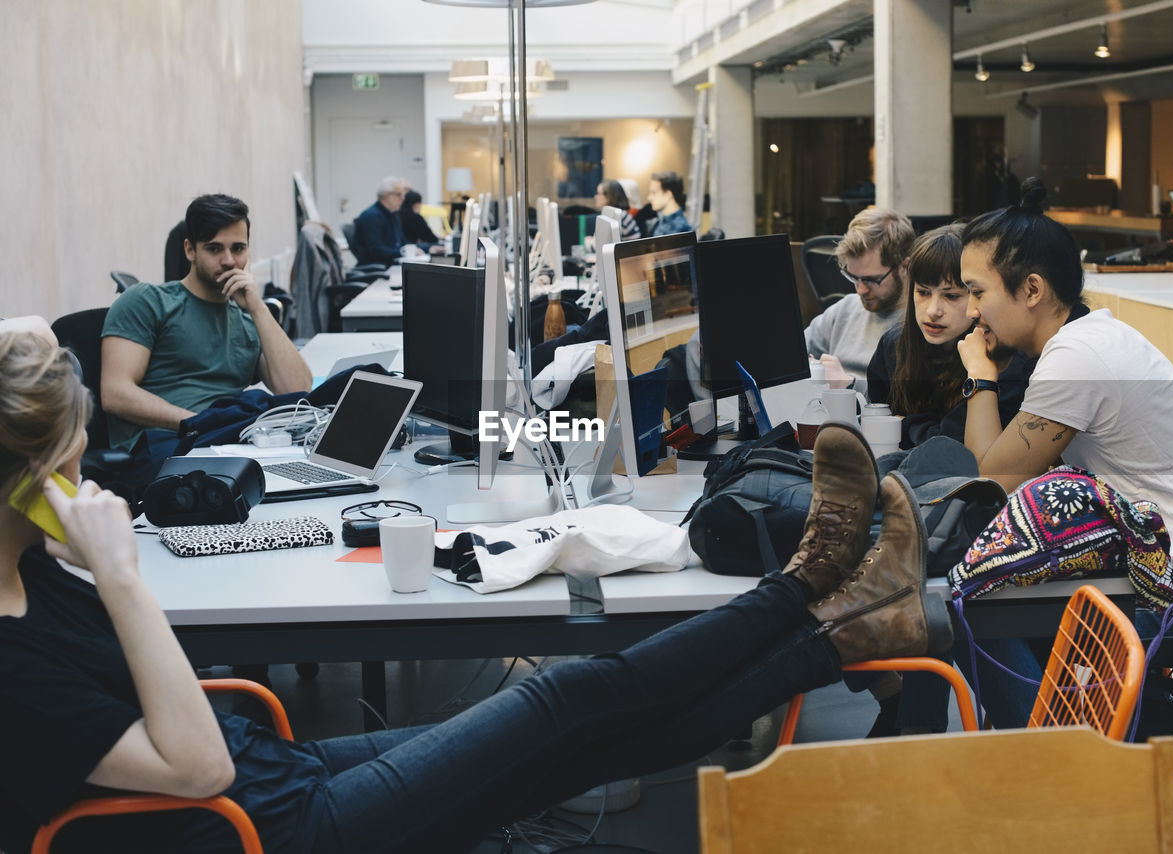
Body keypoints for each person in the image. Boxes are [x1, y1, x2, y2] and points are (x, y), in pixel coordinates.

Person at [0, 335, 951, 854]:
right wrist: (119, 575)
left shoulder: (30, 578)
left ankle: (842, 621)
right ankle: (812, 591)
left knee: (566, 748)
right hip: (273, 827)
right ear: (21, 486)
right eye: (71, 458)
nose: (92, 472)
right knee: (559, 699)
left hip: (276, 778)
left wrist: (83, 566)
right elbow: (196, 769)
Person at [954, 176, 1173, 727]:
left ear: (1032, 290)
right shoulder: (1090, 338)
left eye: (977, 292)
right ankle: (1072, 752)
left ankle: (1060, 772)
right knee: (1000, 591)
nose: (970, 313)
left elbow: (990, 482)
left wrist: (980, 378)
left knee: (970, 611)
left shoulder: (1078, 358)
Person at [100, 194, 312, 451]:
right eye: (214, 248)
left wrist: (258, 308)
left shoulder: (247, 322)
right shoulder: (148, 301)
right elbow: (115, 393)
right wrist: (202, 423)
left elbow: (297, 391)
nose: (229, 261)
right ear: (190, 250)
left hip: (231, 444)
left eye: (238, 248)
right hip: (166, 447)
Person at [867, 223, 1033, 451]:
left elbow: (951, 448)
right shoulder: (894, 344)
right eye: (923, 292)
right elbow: (876, 424)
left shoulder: (1005, 358)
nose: (934, 310)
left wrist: (907, 423)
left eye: (951, 296)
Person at [804, 208, 915, 386]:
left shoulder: (923, 324)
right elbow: (792, 354)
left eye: (872, 280)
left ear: (905, 267)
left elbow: (906, 401)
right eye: (854, 277)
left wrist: (849, 385)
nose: (861, 290)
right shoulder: (845, 309)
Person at [351, 177, 423, 266]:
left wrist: (426, 248)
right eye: (399, 194)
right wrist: (402, 253)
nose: (403, 198)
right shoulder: (371, 216)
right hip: (379, 268)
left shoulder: (392, 215)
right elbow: (375, 250)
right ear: (388, 196)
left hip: (391, 263)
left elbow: (403, 242)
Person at [647, 171, 692, 236]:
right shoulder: (659, 221)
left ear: (668, 194)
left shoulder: (681, 230)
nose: (649, 198)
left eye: (654, 193)